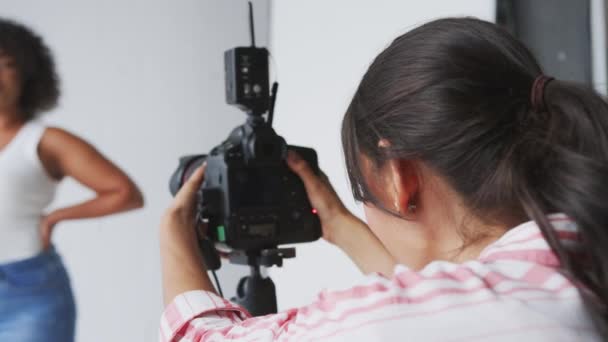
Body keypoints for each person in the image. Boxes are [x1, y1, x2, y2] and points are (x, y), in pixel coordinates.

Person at [158, 17, 607, 341]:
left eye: (364, 194)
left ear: (398, 178)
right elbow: (436, 309)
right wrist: (337, 225)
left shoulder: (398, 319)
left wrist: (174, 236)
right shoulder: (578, 263)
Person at [0, 18, 144, 342]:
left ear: (26, 75)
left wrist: (56, 216)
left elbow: (125, 193)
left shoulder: (45, 141)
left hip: (27, 290)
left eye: (7, 65)